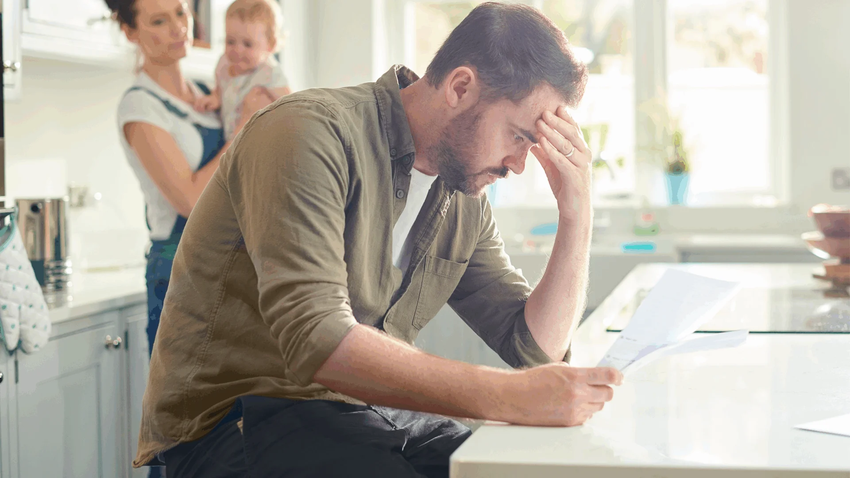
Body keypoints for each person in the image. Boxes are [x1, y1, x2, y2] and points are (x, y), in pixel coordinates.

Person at [134, 3, 623, 477]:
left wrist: (576, 211)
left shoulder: (463, 196)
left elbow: (534, 349)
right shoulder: (306, 132)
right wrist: (508, 395)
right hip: (239, 419)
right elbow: (317, 337)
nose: (520, 164)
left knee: (520, 471)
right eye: (519, 136)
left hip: (362, 415)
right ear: (460, 87)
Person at [107, 0, 275, 359]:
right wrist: (246, 125)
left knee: (240, 406)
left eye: (180, 13)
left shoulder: (209, 92)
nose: (178, 27)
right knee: (190, 406)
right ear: (130, 32)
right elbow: (189, 199)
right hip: (181, 271)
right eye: (158, 21)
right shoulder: (139, 107)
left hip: (235, 264)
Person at [194, 0, 292, 141]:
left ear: (270, 45)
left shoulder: (270, 73)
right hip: (231, 139)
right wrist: (215, 98)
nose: (237, 50)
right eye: (230, 41)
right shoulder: (224, 64)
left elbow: (291, 104)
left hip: (259, 141)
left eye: (248, 44)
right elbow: (220, 89)